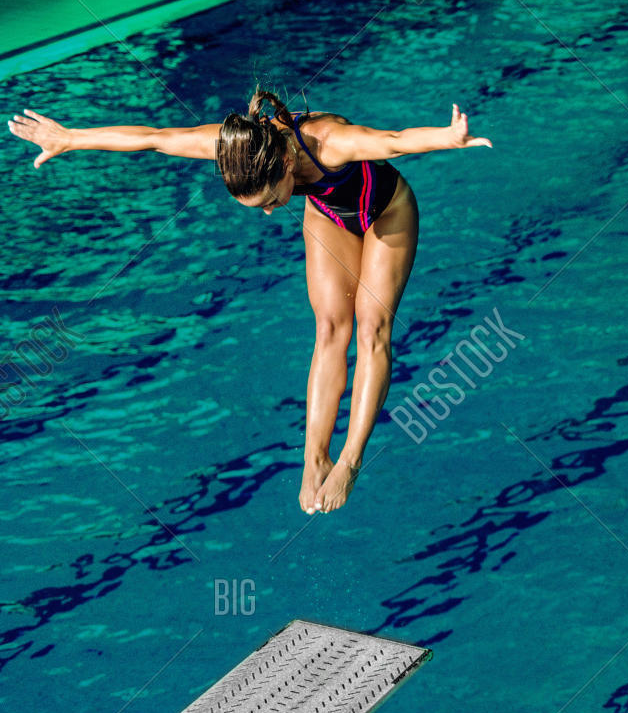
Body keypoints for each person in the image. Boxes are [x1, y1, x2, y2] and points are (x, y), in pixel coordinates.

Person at [9, 89, 491, 513]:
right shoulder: (238, 148)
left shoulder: (330, 142)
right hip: (329, 213)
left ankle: (349, 459)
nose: (269, 212)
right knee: (330, 330)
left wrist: (449, 137)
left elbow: (394, 141)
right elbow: (156, 138)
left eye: (270, 200)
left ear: (285, 167)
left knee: (371, 329)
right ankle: (315, 458)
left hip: (386, 210)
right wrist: (70, 138)